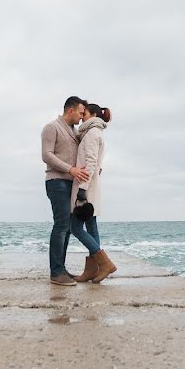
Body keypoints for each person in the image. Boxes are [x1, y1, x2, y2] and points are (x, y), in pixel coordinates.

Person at [41, 96, 90, 286]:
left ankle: (61, 268)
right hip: (56, 182)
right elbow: (46, 155)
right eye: (80, 112)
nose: (81, 116)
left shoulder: (74, 131)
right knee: (61, 225)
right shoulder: (51, 127)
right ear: (70, 110)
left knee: (68, 228)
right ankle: (56, 272)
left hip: (71, 184)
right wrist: (70, 169)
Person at [69, 103, 117, 283]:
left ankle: (104, 263)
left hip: (86, 187)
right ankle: (93, 270)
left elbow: (90, 162)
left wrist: (81, 190)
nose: (82, 117)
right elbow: (97, 163)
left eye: (85, 114)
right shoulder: (98, 133)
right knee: (91, 227)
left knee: (75, 228)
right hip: (93, 186)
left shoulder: (91, 134)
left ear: (94, 114)